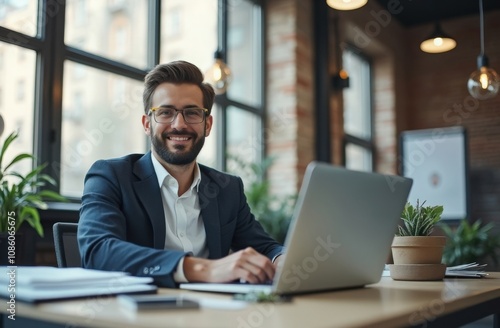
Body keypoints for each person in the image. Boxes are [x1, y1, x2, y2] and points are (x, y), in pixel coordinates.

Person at [78, 60, 284, 288]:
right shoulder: (111, 176)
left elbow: (266, 248)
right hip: (138, 316)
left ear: (208, 124)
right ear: (147, 124)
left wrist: (282, 259)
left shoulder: (228, 189)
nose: (179, 124)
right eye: (165, 112)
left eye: (192, 113)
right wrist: (204, 268)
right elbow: (98, 251)